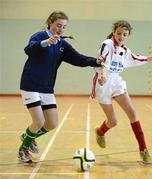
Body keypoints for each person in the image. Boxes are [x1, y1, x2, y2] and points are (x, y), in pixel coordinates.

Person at [18, 11, 103, 163]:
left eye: (64, 27)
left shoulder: (62, 44)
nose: (61, 29)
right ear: (50, 23)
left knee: (51, 123)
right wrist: (46, 43)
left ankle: (27, 136)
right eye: (58, 25)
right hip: (30, 84)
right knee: (38, 122)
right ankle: (23, 149)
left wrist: (95, 61)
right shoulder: (39, 36)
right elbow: (29, 49)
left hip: (47, 87)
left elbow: (79, 59)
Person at [91, 20, 152, 164]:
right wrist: (103, 76)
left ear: (128, 36)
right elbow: (103, 61)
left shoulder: (125, 52)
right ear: (114, 32)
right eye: (118, 33)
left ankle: (143, 149)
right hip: (102, 84)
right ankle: (100, 132)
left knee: (133, 113)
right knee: (113, 122)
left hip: (116, 83)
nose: (121, 36)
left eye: (124, 34)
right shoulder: (107, 44)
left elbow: (138, 58)